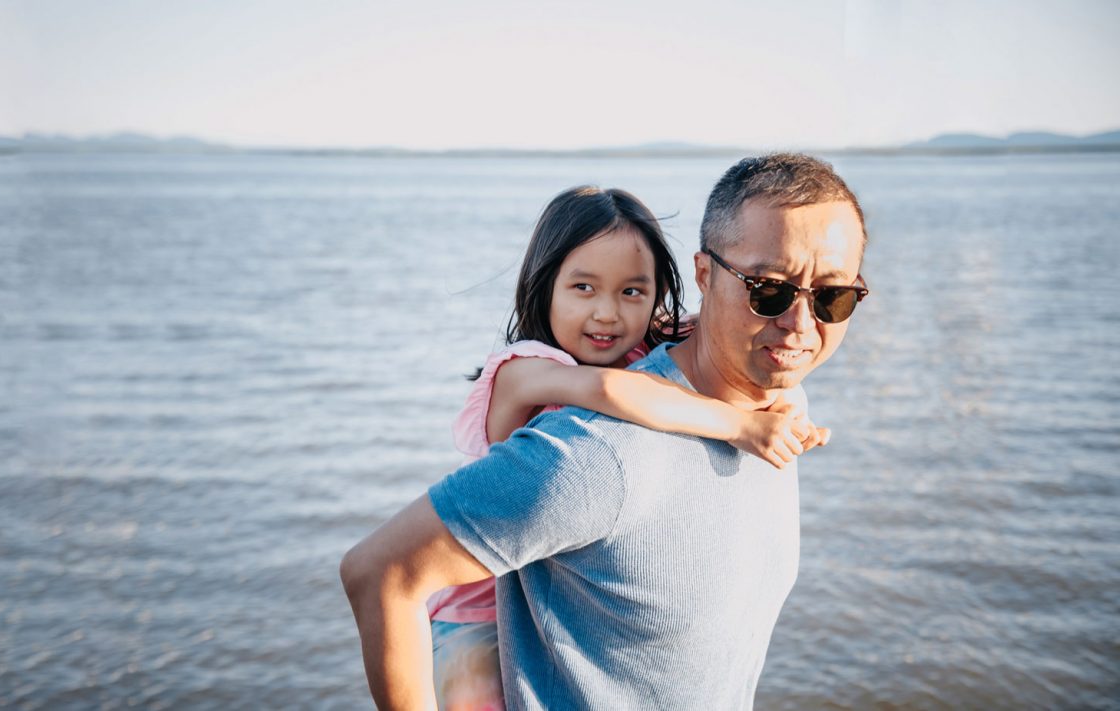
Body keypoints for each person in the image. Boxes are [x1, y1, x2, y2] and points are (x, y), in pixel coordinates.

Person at [342, 153, 870, 710]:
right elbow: (378, 571)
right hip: (469, 616)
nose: (800, 326)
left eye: (833, 297)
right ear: (705, 276)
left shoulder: (779, 388)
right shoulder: (597, 451)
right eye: (769, 290)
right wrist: (737, 425)